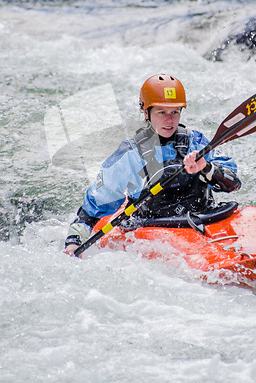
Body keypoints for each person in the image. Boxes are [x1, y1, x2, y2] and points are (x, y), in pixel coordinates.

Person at [64, 74, 241, 255]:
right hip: (154, 226)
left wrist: (206, 168)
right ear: (146, 112)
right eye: (161, 112)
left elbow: (233, 183)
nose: (169, 120)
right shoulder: (130, 153)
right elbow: (98, 202)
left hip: (204, 217)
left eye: (175, 112)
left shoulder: (197, 142)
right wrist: (74, 240)